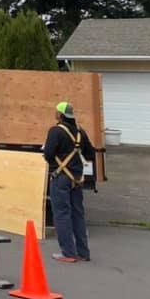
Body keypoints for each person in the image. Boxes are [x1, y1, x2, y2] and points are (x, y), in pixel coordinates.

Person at [43, 101, 96, 263]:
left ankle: (68, 253)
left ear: (60, 115)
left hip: (60, 178)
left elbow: (48, 154)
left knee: (62, 214)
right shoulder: (81, 132)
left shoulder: (56, 131)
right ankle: (83, 252)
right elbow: (90, 154)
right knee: (78, 214)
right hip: (77, 179)